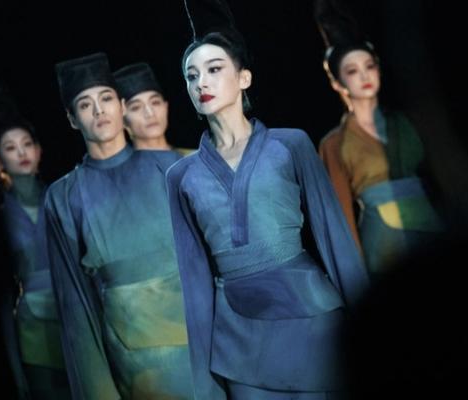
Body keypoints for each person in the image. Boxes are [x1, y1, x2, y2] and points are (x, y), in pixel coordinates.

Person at [165, 1, 369, 398]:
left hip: (311, 318)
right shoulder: (181, 175)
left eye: (214, 69)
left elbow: (335, 240)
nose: (201, 82)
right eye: (191, 75)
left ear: (244, 77)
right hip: (239, 339)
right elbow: (194, 280)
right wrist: (205, 384)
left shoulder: (290, 145)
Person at [45, 52, 193, 399]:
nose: (99, 111)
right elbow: (75, 305)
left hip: (200, 344)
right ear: (72, 119)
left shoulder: (171, 167)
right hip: (135, 366)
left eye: (106, 98)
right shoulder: (64, 196)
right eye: (85, 104)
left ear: (122, 106)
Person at [315, 0, 444, 274]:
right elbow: (341, 215)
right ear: (337, 82)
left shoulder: (409, 123)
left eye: (369, 66)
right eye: (352, 71)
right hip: (384, 239)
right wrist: (355, 272)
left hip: (432, 224)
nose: (364, 75)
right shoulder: (335, 143)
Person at [0, 118, 72, 400]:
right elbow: (1, 294)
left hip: (73, 313)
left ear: (38, 150)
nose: (22, 153)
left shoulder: (62, 199)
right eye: (11, 148)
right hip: (30, 327)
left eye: (26, 144)